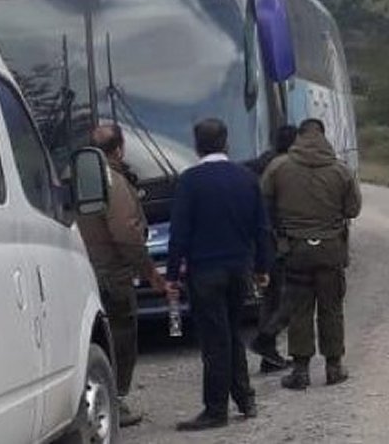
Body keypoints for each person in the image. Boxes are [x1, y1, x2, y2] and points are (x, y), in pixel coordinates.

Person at [166, 118, 273, 431]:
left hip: (205, 272)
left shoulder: (190, 181)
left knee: (215, 341)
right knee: (232, 333)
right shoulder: (247, 178)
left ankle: (215, 410)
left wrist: (172, 275)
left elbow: (180, 233)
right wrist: (262, 268)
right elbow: (262, 227)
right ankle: (246, 399)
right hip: (240, 270)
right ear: (226, 143)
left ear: (197, 146)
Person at [255, 118, 361, 390]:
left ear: (299, 137)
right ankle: (334, 367)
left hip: (295, 250)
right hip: (331, 250)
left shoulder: (278, 168)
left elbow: (264, 204)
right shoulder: (341, 171)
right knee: (332, 308)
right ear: (324, 137)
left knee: (300, 309)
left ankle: (300, 371)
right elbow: (352, 210)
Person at [76, 124, 168, 427]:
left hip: (84, 271)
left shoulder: (77, 179)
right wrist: (150, 272)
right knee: (121, 339)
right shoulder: (110, 182)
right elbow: (126, 234)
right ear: (119, 150)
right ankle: (114, 400)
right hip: (112, 274)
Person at [243, 124, 299, 373]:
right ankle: (265, 340)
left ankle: (270, 356)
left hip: (260, 242)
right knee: (290, 297)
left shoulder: (260, 164)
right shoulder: (285, 169)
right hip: (279, 242)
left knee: (271, 298)